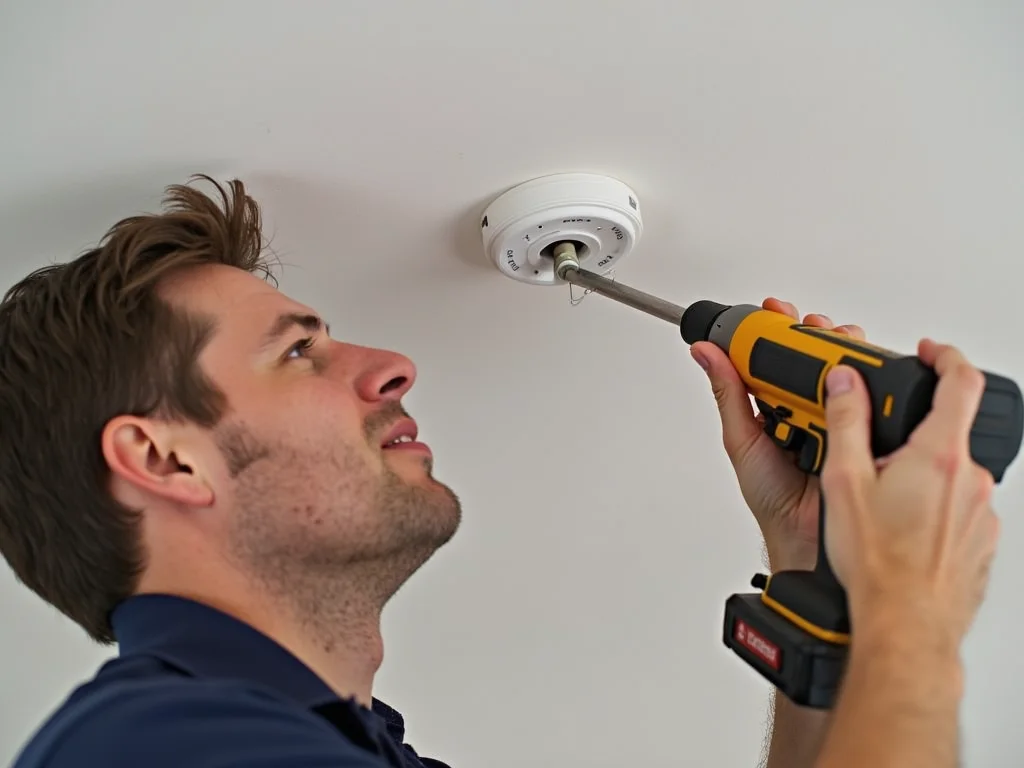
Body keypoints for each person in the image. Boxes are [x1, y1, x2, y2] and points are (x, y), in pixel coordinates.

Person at [0, 176, 998, 768]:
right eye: (298, 351)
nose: (392, 365)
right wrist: (914, 621)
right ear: (163, 457)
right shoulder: (162, 745)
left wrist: (823, 585)